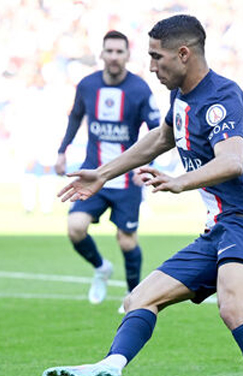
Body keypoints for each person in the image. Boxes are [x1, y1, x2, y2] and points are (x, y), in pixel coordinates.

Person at [43, 15, 243, 376]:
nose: (151, 66)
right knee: (140, 297)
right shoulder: (181, 98)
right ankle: (110, 367)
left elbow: (232, 161)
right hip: (221, 226)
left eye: (156, 56)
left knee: (231, 304)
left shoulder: (223, 97)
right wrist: (102, 174)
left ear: (183, 54)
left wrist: (179, 182)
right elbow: (159, 139)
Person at [56, 30, 161, 309]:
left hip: (126, 179)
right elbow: (75, 117)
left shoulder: (139, 89)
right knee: (75, 228)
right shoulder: (88, 85)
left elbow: (157, 130)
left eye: (119, 52)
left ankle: (133, 297)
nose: (114, 57)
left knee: (126, 241)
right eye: (109, 51)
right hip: (93, 175)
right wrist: (62, 151)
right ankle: (101, 267)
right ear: (101, 54)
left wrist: (148, 165)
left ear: (127, 55)